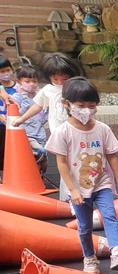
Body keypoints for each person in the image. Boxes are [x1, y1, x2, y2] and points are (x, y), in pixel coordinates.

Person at [45, 77, 118, 273]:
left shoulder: (102, 129)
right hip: (78, 187)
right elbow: (61, 163)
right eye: (81, 105)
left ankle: (116, 250)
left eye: (92, 105)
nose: (87, 110)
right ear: (66, 104)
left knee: (110, 216)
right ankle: (89, 257)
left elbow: (112, 156)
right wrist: (72, 190)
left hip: (101, 182)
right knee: (85, 226)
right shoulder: (63, 132)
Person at [11, 53, 83, 197]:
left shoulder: (76, 88)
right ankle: (68, 195)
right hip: (59, 134)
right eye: (55, 79)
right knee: (65, 163)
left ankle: (79, 192)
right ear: (49, 77)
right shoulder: (48, 90)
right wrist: (22, 119)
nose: (60, 82)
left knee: (78, 161)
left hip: (77, 132)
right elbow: (37, 106)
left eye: (64, 78)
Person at [10, 66, 49, 174]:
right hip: (27, 134)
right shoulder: (17, 97)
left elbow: (44, 115)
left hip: (40, 134)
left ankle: (40, 176)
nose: (31, 84)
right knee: (40, 152)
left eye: (34, 81)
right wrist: (25, 99)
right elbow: (16, 114)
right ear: (19, 82)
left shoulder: (41, 96)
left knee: (42, 160)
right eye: (27, 81)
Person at [0, 56, 18, 176]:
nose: (6, 73)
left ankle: (11, 173)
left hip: (15, 125)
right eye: (2, 71)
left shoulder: (18, 87)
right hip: (1, 125)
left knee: (13, 150)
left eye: (7, 70)